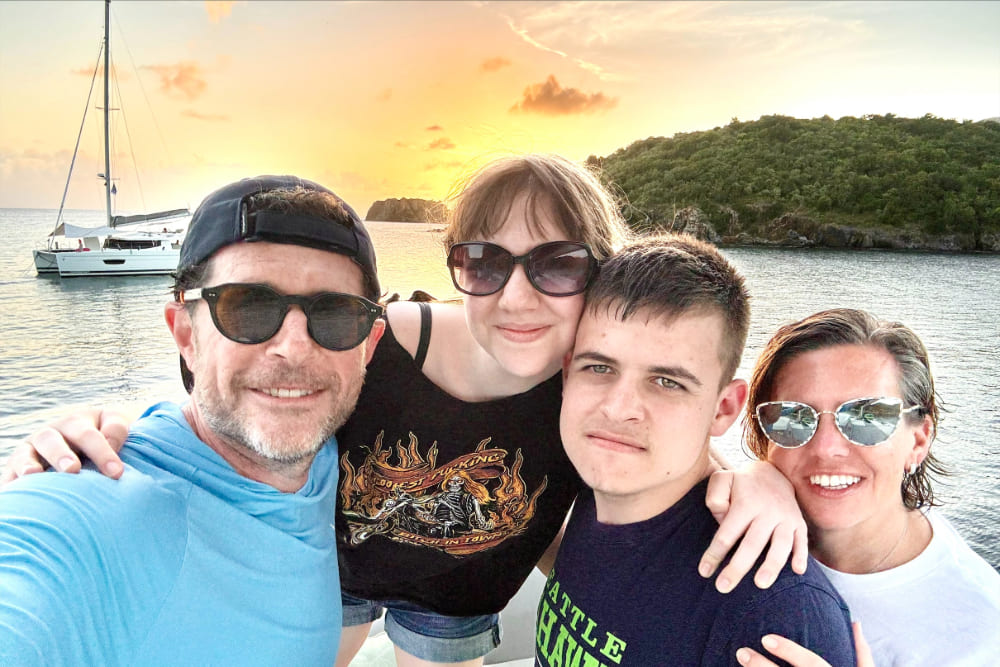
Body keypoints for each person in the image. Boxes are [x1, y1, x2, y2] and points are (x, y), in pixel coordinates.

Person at [4, 155, 808, 667]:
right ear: (455, 268)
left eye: (558, 266)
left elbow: (666, 434)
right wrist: (106, 429)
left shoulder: (592, 386)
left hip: (460, 599)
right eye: (485, 262)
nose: (518, 295)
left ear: (599, 280)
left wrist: (757, 474)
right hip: (341, 569)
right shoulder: (377, 336)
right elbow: (253, 390)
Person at [0, 176, 387, 664]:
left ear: (369, 345)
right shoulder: (94, 510)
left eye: (335, 316)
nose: (293, 348)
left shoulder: (338, 453)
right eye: (247, 307)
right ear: (185, 333)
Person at [538, 234, 856, 666]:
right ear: (566, 374)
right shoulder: (585, 488)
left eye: (667, 382)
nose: (618, 408)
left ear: (723, 408)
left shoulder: (772, 608)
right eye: (599, 367)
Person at [737, 308, 1000, 666]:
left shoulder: (980, 632)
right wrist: (746, 478)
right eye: (792, 417)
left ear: (919, 440)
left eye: (868, 417)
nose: (827, 447)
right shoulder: (732, 530)